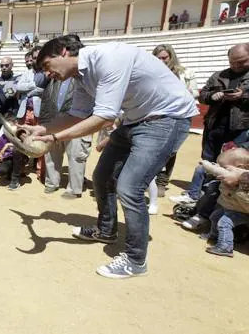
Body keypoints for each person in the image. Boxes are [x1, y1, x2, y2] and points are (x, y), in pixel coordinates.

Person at [26, 37, 197, 279]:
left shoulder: (108, 58)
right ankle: (106, 230)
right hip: (136, 120)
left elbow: (104, 117)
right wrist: (43, 130)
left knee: (130, 187)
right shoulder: (81, 76)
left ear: (63, 52)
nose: (47, 74)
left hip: (166, 120)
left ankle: (136, 260)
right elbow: (77, 115)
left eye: (46, 65)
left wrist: (55, 139)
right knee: (103, 176)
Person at [171, 44, 249, 207]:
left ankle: (219, 199)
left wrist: (243, 96)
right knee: (207, 160)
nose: (235, 66)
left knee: (230, 164)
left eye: (241, 62)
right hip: (214, 125)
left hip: (240, 129)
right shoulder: (218, 75)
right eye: (232, 62)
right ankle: (195, 194)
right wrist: (214, 95)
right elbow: (203, 96)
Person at [152, 44, 197, 197]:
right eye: (157, 58)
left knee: (171, 151)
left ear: (171, 57)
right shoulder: (152, 72)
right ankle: (150, 180)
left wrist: (189, 92)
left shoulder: (185, 73)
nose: (161, 61)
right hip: (158, 115)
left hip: (179, 116)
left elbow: (196, 92)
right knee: (153, 149)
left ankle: (162, 182)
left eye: (164, 58)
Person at [40, 75, 91, 199]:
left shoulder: (82, 79)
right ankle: (52, 183)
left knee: (75, 155)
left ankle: (74, 189)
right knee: (51, 155)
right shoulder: (51, 80)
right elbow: (45, 101)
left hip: (76, 123)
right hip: (54, 121)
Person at [202, 148, 249, 257]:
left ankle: (226, 246)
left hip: (243, 210)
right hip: (232, 207)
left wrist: (239, 185)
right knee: (215, 216)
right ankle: (215, 235)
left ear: (240, 167)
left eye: (224, 168)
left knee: (224, 222)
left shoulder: (245, 181)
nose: (221, 170)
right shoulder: (231, 173)